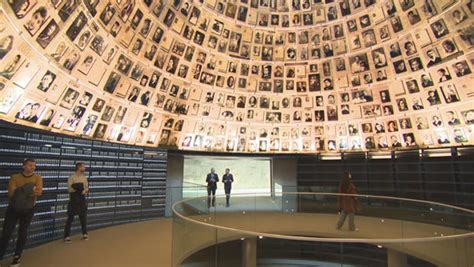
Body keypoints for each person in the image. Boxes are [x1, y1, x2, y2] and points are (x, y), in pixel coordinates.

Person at [0, 158, 43, 266]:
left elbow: (38, 192)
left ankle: (17, 256)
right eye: (30, 165)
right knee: (6, 233)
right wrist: (29, 188)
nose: (32, 167)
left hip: (28, 209)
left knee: (22, 232)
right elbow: (11, 193)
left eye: (34, 165)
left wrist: (21, 191)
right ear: (23, 166)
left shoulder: (38, 177)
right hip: (13, 209)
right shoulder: (14, 177)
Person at [64, 162, 89, 243]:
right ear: (79, 167)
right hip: (74, 199)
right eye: (83, 167)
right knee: (70, 218)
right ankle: (66, 236)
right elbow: (70, 189)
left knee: (83, 217)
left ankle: (84, 234)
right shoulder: (71, 177)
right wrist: (78, 187)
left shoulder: (84, 178)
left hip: (82, 199)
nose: (84, 168)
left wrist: (84, 190)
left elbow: (86, 188)